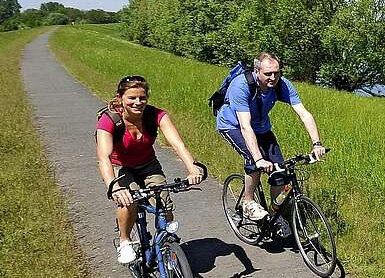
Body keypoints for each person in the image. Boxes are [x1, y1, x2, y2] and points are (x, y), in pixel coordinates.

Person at [96, 75, 203, 264]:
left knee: (163, 199)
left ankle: (167, 242)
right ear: (120, 97)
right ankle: (125, 241)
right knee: (129, 200)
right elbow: (103, 157)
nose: (138, 102)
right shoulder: (109, 119)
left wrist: (192, 168)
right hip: (121, 166)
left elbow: (178, 145)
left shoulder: (156, 115)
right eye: (132, 98)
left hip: (148, 164)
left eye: (142, 98)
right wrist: (114, 187)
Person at [216, 52, 326, 237]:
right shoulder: (241, 86)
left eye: (276, 72)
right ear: (257, 71)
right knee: (253, 159)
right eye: (268, 74)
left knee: (281, 172)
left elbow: (304, 114)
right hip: (233, 126)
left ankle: (275, 215)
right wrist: (259, 159)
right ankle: (248, 202)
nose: (273, 77)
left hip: (261, 127)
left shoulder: (282, 85)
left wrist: (317, 144)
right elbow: (245, 126)